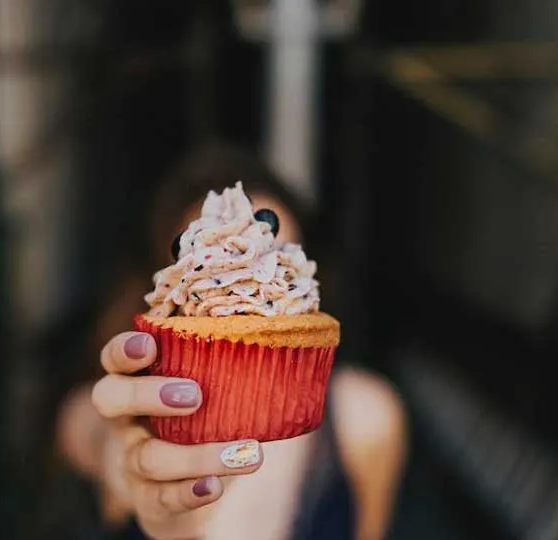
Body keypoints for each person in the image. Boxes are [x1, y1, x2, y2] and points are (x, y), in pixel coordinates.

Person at [52, 144, 409, 540]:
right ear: (168, 287)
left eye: (279, 261)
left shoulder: (366, 417)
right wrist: (126, 461)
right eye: (209, 263)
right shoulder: (115, 409)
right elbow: (92, 432)